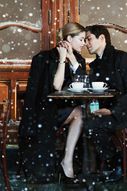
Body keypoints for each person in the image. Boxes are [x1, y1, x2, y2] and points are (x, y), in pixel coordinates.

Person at [19, 22, 86, 183]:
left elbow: (83, 84)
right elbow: (56, 86)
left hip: (64, 109)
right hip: (44, 111)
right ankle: (64, 164)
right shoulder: (44, 58)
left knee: (82, 113)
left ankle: (68, 162)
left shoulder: (78, 59)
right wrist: (63, 59)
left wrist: (71, 59)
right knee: (79, 112)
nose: (84, 43)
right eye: (81, 39)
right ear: (69, 38)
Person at [85, 25, 127, 182]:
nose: (86, 43)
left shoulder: (123, 58)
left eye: (89, 39)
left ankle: (120, 165)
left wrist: (113, 110)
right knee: (88, 124)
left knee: (94, 126)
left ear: (102, 38)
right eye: (85, 40)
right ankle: (114, 165)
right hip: (111, 112)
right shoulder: (96, 64)